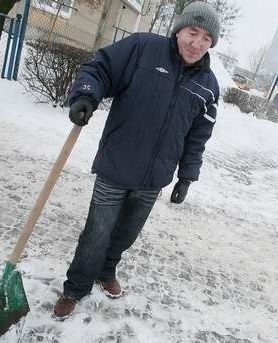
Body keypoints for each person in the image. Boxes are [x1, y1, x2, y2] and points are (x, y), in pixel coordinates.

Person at [53, 1, 221, 318]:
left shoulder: (209, 86)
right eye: (192, 32)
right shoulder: (143, 48)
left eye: (206, 39)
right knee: (97, 233)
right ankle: (75, 289)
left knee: (126, 234)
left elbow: (198, 137)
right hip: (116, 166)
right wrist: (86, 94)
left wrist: (187, 176)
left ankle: (106, 272)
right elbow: (100, 68)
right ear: (179, 30)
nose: (197, 43)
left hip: (153, 179)